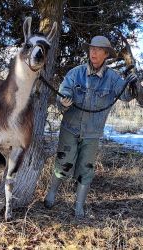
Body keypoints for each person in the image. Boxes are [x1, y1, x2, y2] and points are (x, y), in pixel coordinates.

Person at [44, 36, 137, 218]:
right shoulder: (75, 73)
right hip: (70, 128)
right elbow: (63, 94)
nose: (93, 52)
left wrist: (132, 83)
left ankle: (79, 206)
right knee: (62, 163)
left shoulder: (112, 78)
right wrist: (63, 102)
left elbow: (125, 96)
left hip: (92, 133)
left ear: (105, 54)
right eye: (91, 49)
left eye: (98, 50)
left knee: (86, 169)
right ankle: (51, 194)